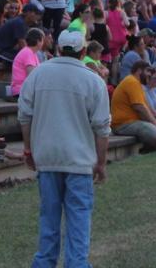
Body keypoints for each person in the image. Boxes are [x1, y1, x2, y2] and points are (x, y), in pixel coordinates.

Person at [18, 29, 110, 268]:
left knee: (49, 216)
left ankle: (44, 264)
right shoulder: (94, 81)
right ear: (83, 52)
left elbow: (25, 117)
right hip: (79, 160)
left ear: (58, 48)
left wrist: (28, 150)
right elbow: (102, 129)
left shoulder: (38, 75)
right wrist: (101, 163)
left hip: (47, 156)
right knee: (79, 217)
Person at [110, 58, 156, 149]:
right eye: (147, 72)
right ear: (139, 71)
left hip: (132, 122)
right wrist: (155, 123)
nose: (149, 75)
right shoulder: (132, 82)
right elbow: (140, 108)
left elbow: (145, 107)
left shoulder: (136, 83)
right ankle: (151, 148)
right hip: (123, 124)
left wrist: (155, 122)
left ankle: (155, 147)